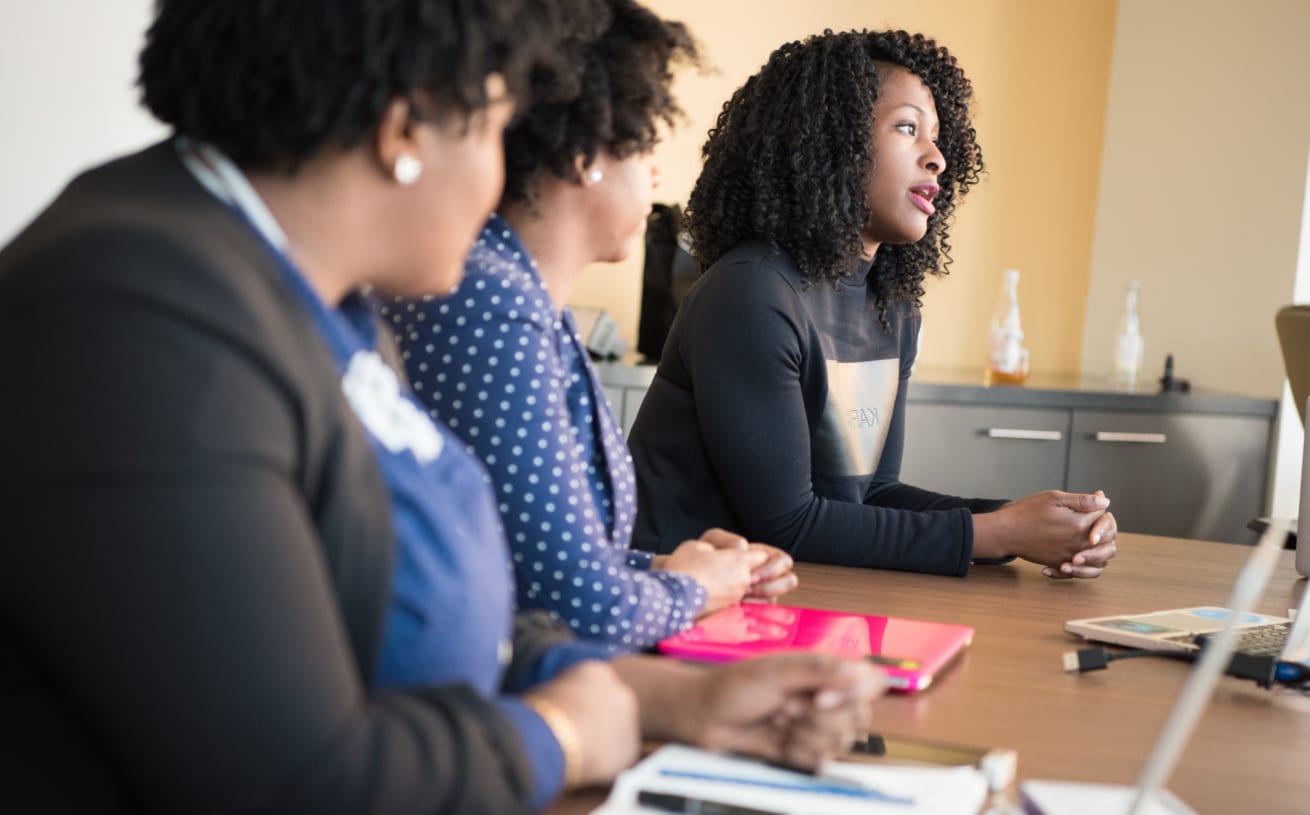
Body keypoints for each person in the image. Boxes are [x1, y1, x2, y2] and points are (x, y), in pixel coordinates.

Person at [0, 4, 881, 814]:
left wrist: (673, 700)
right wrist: (560, 736)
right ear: (405, 129)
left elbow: (413, 609)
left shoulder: (314, 293)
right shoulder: (135, 314)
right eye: (499, 128)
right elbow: (295, 783)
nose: (504, 176)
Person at [626, 29, 1119, 580]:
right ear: (830, 142)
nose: (937, 158)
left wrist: (1026, 524)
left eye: (937, 137)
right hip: (677, 604)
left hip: (794, 588)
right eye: (907, 128)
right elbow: (786, 523)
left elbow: (870, 495)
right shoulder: (751, 293)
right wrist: (996, 531)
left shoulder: (893, 305)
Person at [384, 0, 797, 652]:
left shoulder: (521, 296)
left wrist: (671, 568)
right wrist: (691, 589)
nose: (657, 173)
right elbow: (578, 607)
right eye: (648, 141)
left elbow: (537, 563)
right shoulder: (493, 301)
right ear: (583, 153)